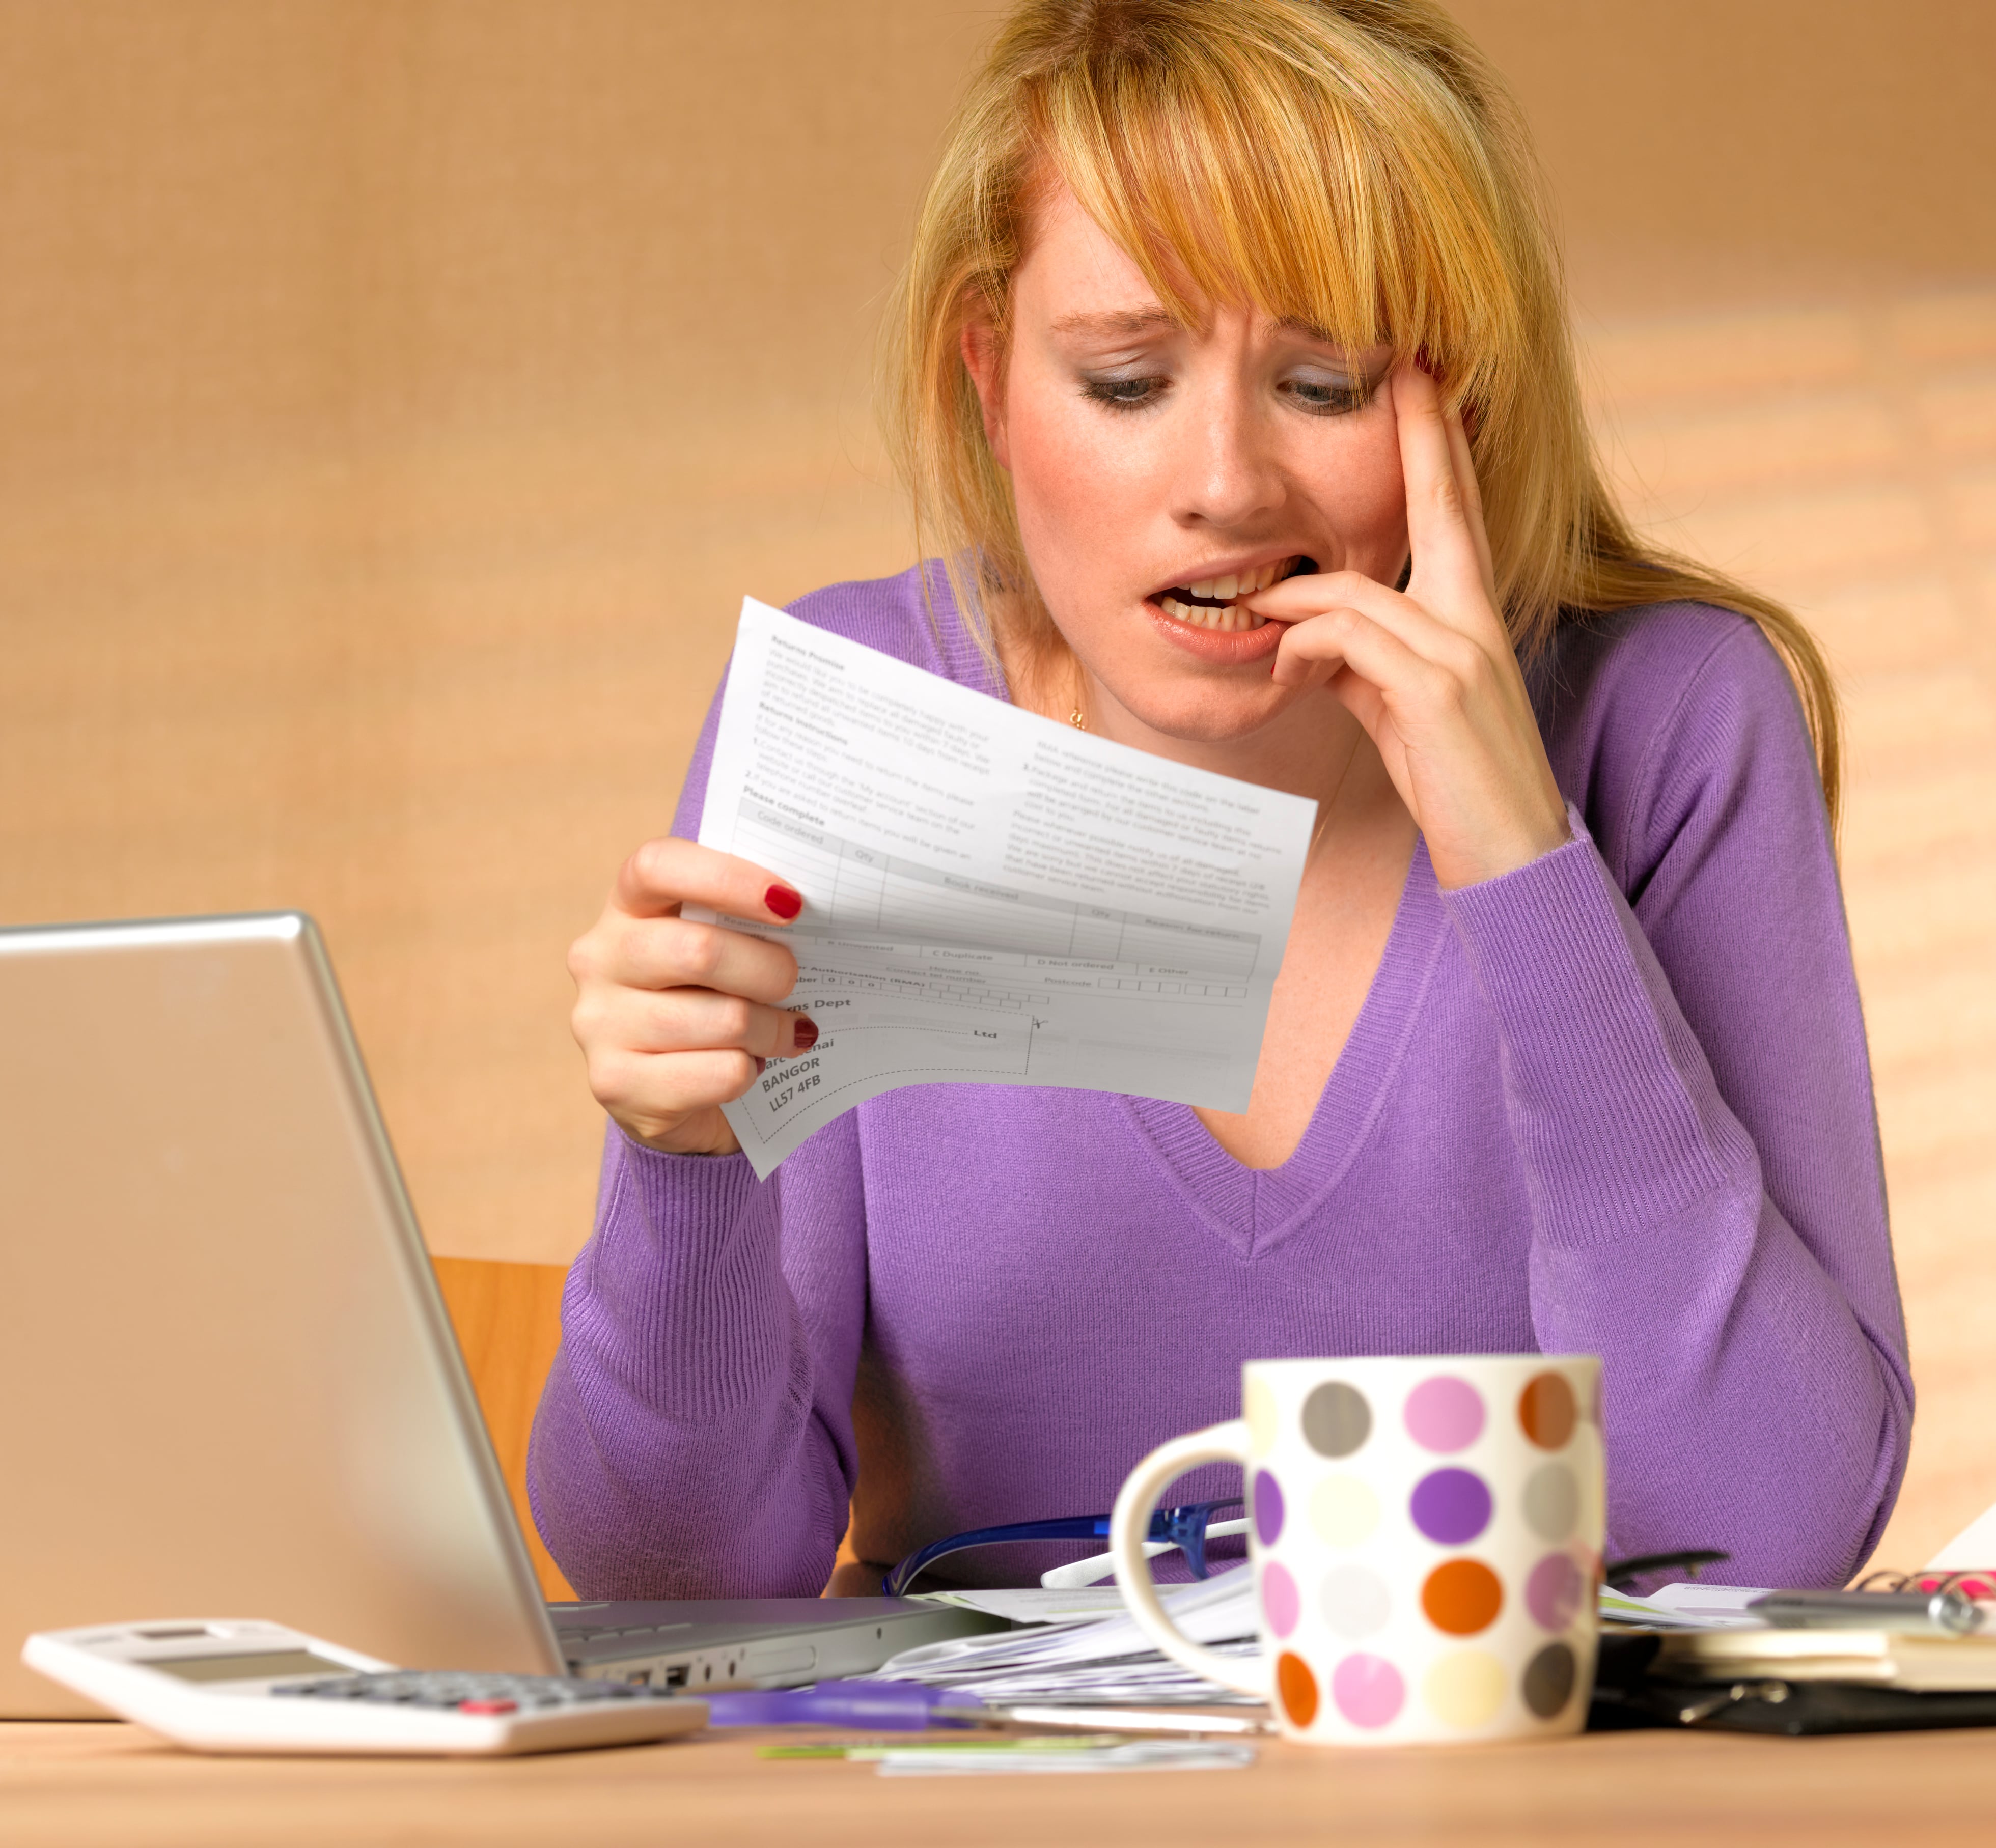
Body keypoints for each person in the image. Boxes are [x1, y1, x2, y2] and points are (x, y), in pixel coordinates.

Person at [534, 0, 1909, 1600]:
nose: (1228, 485)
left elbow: (1767, 1535)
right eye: (1126, 380)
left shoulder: (1668, 721)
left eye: (1323, 384)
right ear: (991, 380)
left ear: (1454, 410)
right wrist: (683, 1167)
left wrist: (1522, 861)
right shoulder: (871, 714)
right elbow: (680, 1579)